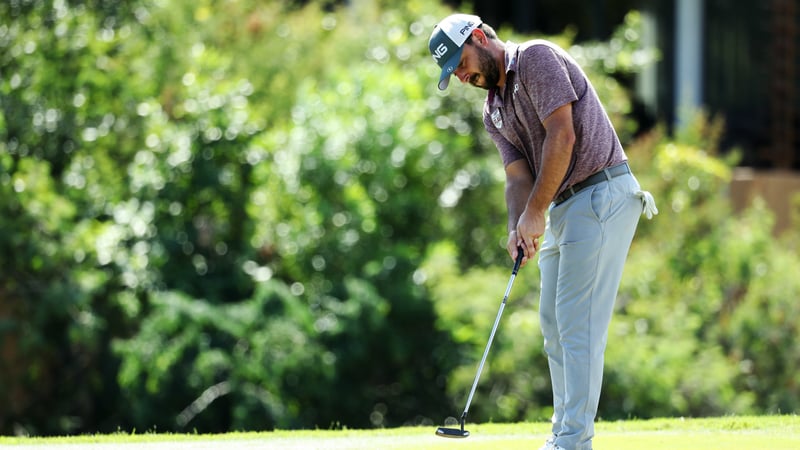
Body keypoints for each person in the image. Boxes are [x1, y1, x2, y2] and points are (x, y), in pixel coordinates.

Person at [428, 13, 657, 450]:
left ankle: (572, 442)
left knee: (576, 324)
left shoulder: (535, 58)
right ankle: (564, 435)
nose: (462, 76)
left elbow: (563, 136)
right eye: (454, 72)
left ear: (479, 38)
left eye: (461, 62)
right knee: (553, 324)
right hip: (565, 205)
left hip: (602, 192)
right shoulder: (492, 111)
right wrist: (519, 226)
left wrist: (536, 213)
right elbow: (517, 177)